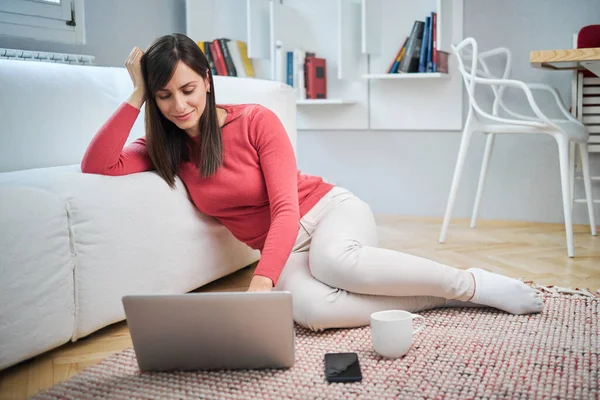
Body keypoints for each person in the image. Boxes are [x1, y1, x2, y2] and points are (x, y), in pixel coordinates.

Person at [81, 33, 543, 332]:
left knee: (335, 264)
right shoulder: (164, 150)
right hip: (285, 248)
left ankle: (470, 284)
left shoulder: (255, 121)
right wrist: (137, 93)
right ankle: (434, 299)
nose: (178, 106)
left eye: (187, 90)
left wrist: (261, 284)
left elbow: (286, 209)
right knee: (314, 313)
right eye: (164, 96)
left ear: (206, 81)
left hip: (326, 211)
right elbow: (96, 164)